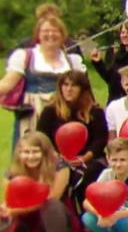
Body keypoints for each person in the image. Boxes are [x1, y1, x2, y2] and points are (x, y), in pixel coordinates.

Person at [0, 16, 86, 147]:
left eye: (55, 31)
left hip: (63, 115)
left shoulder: (72, 61)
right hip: (32, 115)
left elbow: (84, 91)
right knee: (31, 153)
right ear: (38, 35)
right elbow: (7, 84)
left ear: (63, 35)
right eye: (45, 31)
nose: (50, 35)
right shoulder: (25, 56)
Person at [2, 133, 76, 232]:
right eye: (26, 152)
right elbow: (9, 199)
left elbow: (51, 198)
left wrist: (17, 210)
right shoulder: (12, 172)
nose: (31, 156)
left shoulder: (60, 166)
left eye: (35, 151)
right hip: (23, 217)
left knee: (51, 205)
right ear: (19, 153)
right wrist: (7, 208)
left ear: (45, 152)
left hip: (53, 217)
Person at [36, 71, 109, 207]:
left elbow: (100, 140)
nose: (68, 89)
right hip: (57, 159)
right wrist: (59, 157)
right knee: (58, 174)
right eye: (65, 85)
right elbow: (41, 138)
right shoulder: (50, 111)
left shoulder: (94, 112)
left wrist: (83, 158)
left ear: (82, 89)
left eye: (74, 86)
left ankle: (87, 216)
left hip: (90, 159)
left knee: (87, 176)